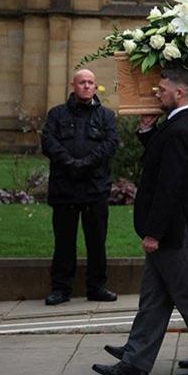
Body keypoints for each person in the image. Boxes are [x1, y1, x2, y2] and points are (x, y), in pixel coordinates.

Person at [93, 66, 188, 375]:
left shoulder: (182, 128)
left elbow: (171, 185)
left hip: (175, 229)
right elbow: (167, 160)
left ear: (180, 93)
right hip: (181, 225)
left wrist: (155, 232)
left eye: (162, 89)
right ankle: (136, 360)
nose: (157, 92)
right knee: (154, 297)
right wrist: (147, 132)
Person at [40, 69, 119, 306]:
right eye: (82, 82)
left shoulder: (106, 116)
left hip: (95, 188)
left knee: (96, 241)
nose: (86, 86)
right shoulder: (56, 114)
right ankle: (61, 288)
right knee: (64, 241)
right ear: (73, 85)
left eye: (90, 82)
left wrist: (84, 164)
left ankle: (96, 287)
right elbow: (48, 142)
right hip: (65, 188)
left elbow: (110, 144)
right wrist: (70, 163)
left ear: (96, 87)